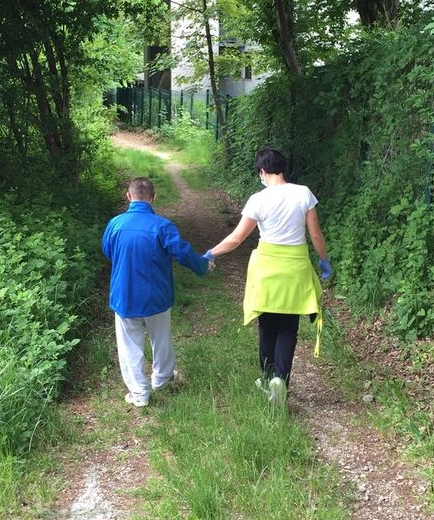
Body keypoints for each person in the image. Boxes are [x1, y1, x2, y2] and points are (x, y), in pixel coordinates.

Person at [203, 147, 331, 406]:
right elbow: (315, 234)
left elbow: (237, 238)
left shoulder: (257, 200)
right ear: (282, 168)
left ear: (262, 171)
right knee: (288, 326)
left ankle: (268, 377)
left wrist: (211, 253)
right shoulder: (303, 193)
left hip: (266, 268)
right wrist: (323, 259)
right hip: (295, 268)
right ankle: (280, 380)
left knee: (267, 325)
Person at [101, 177, 213, 408]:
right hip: (157, 295)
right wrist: (203, 265)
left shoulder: (115, 224)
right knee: (161, 339)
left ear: (128, 197)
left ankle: (139, 393)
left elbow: (108, 251)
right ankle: (162, 379)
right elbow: (182, 253)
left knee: (129, 345)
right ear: (153, 198)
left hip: (124, 295)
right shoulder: (162, 226)